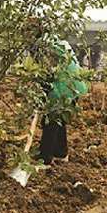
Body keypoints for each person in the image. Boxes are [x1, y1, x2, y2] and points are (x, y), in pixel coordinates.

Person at [37, 35, 89, 165]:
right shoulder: (56, 42)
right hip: (72, 87)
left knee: (51, 121)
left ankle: (44, 159)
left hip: (65, 88)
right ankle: (61, 153)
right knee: (59, 120)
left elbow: (47, 73)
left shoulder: (47, 48)